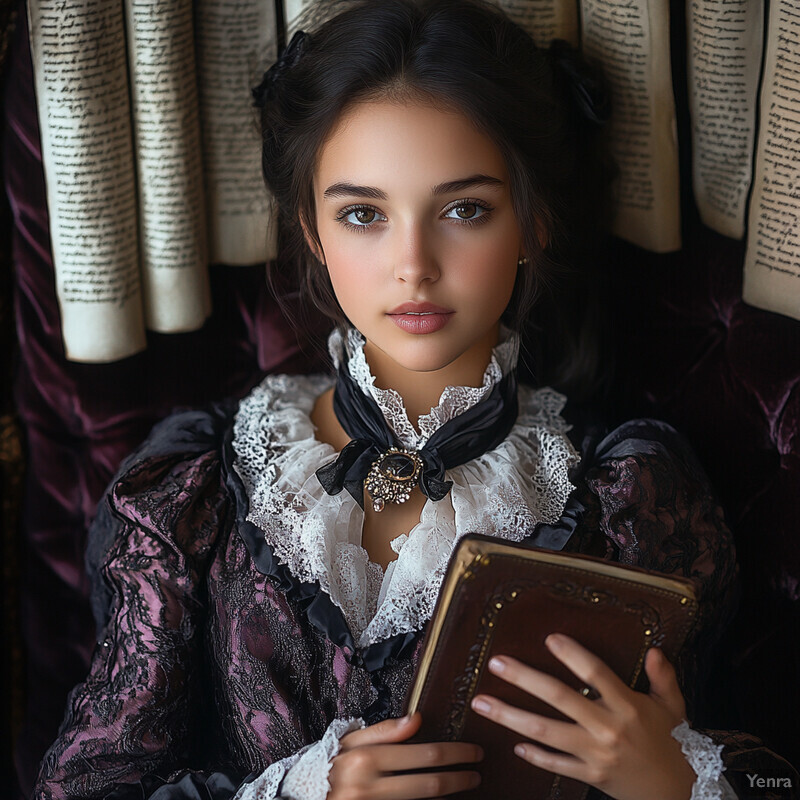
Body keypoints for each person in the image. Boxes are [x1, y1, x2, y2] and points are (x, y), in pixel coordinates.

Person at [32, 1, 797, 799]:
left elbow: (753, 755)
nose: (413, 265)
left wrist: (676, 780)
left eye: (465, 209)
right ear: (314, 232)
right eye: (363, 214)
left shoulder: (631, 495)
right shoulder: (195, 489)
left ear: (532, 222)